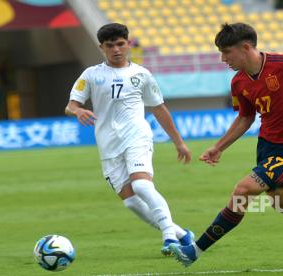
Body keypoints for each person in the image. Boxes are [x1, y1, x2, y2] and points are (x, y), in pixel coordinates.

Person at [168, 23, 283, 267]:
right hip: (268, 145)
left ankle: (194, 251)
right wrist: (219, 147)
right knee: (282, 201)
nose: (223, 59)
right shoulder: (238, 83)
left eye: (226, 52)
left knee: (242, 191)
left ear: (246, 47)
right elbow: (245, 117)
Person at [65, 23, 194, 255]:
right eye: (110, 45)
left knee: (142, 185)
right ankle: (182, 235)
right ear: (101, 47)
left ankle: (168, 238)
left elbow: (159, 108)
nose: (116, 49)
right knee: (132, 202)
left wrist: (179, 142)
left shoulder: (142, 74)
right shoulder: (91, 75)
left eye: (120, 44)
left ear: (128, 43)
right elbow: (71, 105)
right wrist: (78, 111)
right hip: (108, 144)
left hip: (137, 136)